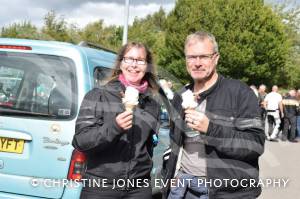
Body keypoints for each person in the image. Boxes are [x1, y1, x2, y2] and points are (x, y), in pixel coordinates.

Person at [161, 31, 265, 199]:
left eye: (203, 57)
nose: (197, 63)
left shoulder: (240, 93)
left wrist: (210, 129)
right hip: (184, 187)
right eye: (191, 57)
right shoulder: (180, 96)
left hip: (225, 191)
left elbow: (255, 145)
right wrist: (171, 175)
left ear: (216, 58)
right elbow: (175, 144)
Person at [72, 42, 161, 199]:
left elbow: (149, 147)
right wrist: (114, 127)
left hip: (139, 189)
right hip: (101, 187)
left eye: (140, 60)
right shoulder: (98, 96)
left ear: (147, 66)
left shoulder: (152, 104)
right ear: (121, 63)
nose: (134, 65)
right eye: (129, 59)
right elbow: (80, 141)